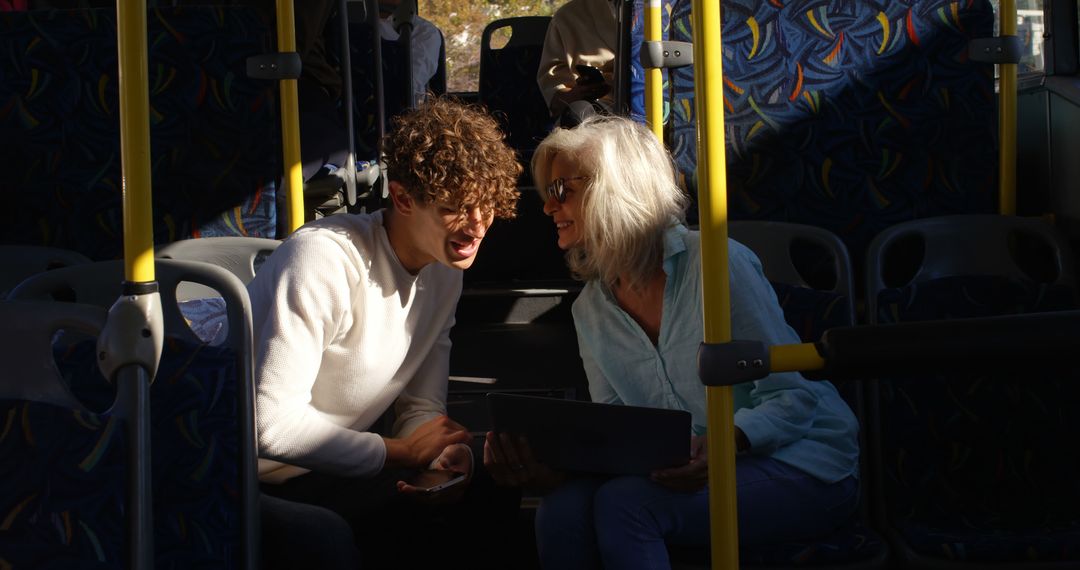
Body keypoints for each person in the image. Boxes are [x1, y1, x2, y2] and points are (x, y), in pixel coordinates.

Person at [484, 115, 860, 569]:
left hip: (803, 461)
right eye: (548, 193)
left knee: (627, 505)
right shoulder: (592, 309)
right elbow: (618, 427)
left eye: (562, 190)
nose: (547, 207)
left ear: (615, 190)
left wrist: (725, 444)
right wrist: (556, 467)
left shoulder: (718, 266)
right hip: (684, 464)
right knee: (559, 512)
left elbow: (792, 397)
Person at [252, 96, 523, 568]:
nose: (478, 226)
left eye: (487, 206)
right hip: (255, 479)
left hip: (337, 466)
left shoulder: (445, 272)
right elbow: (268, 426)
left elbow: (420, 408)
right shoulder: (323, 259)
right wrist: (399, 453)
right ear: (402, 198)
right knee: (330, 537)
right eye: (456, 208)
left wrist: (441, 458)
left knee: (489, 483)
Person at [536, 0, 616, 120]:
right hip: (600, 116)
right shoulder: (568, 18)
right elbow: (555, 100)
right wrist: (579, 93)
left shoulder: (652, 11)